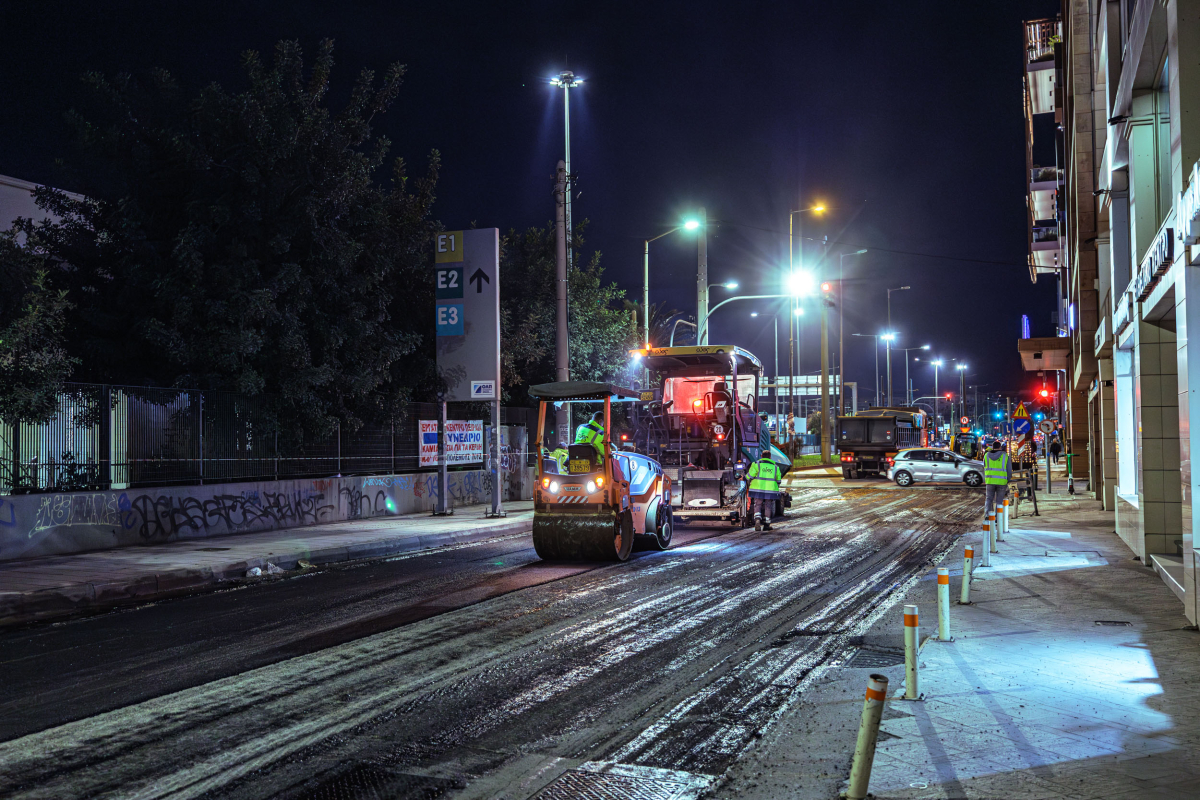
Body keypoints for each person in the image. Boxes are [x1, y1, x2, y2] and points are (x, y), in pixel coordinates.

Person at [746, 450, 782, 532]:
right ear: (770, 457)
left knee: (757, 504)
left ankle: (757, 521)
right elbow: (779, 480)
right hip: (770, 490)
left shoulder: (756, 464)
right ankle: (766, 525)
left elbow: (750, 475)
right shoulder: (775, 467)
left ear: (761, 456)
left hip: (758, 489)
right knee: (768, 505)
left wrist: (744, 478)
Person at [982, 439, 1012, 520]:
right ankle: (997, 517)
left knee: (989, 499)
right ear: (1000, 447)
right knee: (999, 500)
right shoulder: (1005, 456)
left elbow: (984, 467)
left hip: (990, 481)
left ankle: (987, 515)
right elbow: (1009, 470)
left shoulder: (986, 455)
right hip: (1002, 482)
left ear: (992, 447)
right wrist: (1007, 479)